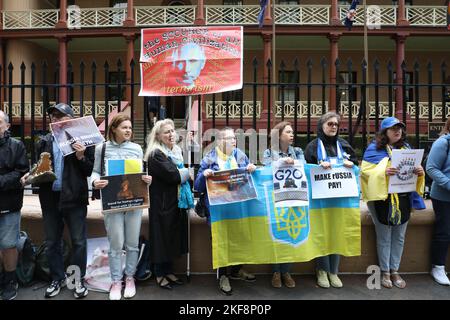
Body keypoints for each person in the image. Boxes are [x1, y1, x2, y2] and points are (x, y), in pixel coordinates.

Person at [21, 103, 95, 299]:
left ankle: (78, 279)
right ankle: (57, 277)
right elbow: (40, 168)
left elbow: (88, 170)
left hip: (75, 198)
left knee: (79, 241)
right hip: (50, 199)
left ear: (70, 119)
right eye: (53, 116)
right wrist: (29, 175)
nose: (56, 119)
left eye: (61, 116)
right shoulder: (43, 141)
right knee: (52, 241)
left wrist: (80, 156)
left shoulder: (83, 140)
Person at [91, 113, 152, 300]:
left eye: (130, 128)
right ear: (114, 129)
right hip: (112, 202)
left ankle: (130, 278)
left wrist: (147, 179)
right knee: (116, 243)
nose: (128, 131)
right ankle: (116, 281)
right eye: (124, 127)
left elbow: (142, 173)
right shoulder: (101, 148)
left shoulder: (136, 148)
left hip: (134, 201)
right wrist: (95, 182)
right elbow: (94, 172)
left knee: (132, 243)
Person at [361, 117, 424, 289]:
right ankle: (385, 272)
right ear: (384, 132)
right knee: (384, 237)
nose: (397, 131)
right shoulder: (373, 149)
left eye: (400, 128)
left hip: (403, 198)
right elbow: (365, 173)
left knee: (399, 237)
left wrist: (419, 172)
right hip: (381, 200)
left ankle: (395, 270)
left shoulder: (407, 149)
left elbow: (411, 172)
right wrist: (383, 171)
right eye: (393, 128)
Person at [194, 127, 257, 295]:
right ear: (220, 141)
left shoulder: (240, 156)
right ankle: (222, 276)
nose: (234, 141)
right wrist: (204, 175)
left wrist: (252, 168)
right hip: (218, 209)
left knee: (239, 238)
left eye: (234, 138)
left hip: (238, 208)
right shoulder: (209, 158)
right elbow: (198, 186)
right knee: (221, 241)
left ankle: (236, 270)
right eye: (229, 139)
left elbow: (250, 179)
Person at [304, 112, 357, 289]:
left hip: (340, 199)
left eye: (336, 124)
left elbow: (355, 167)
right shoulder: (312, 147)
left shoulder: (345, 145)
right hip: (319, 200)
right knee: (322, 233)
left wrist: (352, 164)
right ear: (322, 126)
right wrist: (317, 166)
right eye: (330, 124)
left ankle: (333, 271)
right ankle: (321, 270)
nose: (334, 127)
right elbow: (306, 171)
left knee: (337, 232)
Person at [144, 119, 193, 290]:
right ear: (158, 136)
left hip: (175, 201)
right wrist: (188, 172)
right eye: (166, 132)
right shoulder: (156, 154)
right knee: (160, 237)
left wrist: (183, 172)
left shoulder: (176, 151)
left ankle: (169, 270)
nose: (171, 134)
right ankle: (159, 273)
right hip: (161, 203)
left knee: (171, 237)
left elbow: (177, 172)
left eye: (172, 131)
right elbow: (173, 175)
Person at [262, 121, 305, 289]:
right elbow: (266, 170)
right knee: (277, 234)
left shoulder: (298, 152)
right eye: (288, 132)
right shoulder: (268, 152)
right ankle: (276, 272)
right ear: (279, 135)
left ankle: (286, 271)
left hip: (294, 198)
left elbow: (304, 166)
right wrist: (280, 162)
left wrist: (293, 162)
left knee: (291, 235)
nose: (292, 134)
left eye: (292, 132)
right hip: (275, 199)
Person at [0, 110, 29, 300]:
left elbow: (21, 172)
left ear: (7, 126)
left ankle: (10, 280)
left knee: (9, 245)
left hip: (9, 204)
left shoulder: (16, 145)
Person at [426, 117, 450, 286]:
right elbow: (431, 168)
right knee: (444, 231)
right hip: (443, 197)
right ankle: (438, 267)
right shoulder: (443, 143)